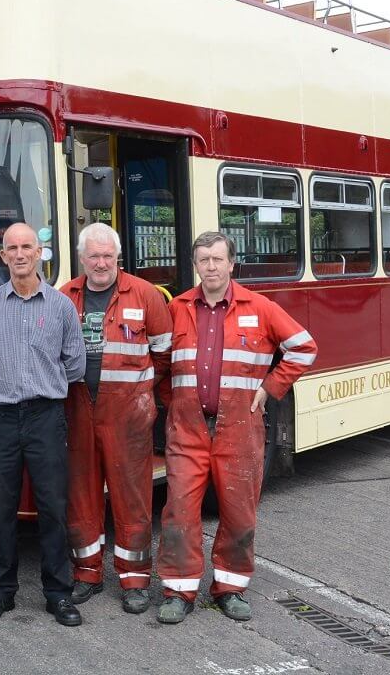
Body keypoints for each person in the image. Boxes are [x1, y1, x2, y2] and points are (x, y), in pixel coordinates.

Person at [156, 231, 317, 625]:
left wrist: (270, 388)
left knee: (239, 513)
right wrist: (174, 400)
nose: (210, 266)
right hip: (187, 430)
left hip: (240, 429)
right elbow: (158, 364)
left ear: (232, 264)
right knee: (179, 511)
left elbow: (303, 347)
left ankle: (230, 588)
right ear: (196, 265)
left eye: (217, 259)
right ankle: (179, 590)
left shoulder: (259, 307)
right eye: (203, 260)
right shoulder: (177, 309)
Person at [0, 223, 87, 626]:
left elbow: (75, 364)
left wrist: (38, 382)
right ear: (3, 256)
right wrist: (1, 382)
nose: (19, 254)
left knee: (53, 506)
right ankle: (1, 591)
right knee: (1, 507)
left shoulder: (61, 307)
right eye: (11, 248)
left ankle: (58, 594)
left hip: (45, 417)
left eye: (27, 247)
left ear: (40, 253)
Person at [59, 223, 172, 614]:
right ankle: (86, 572)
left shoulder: (144, 294)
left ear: (118, 257)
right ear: (82, 258)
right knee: (81, 495)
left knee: (132, 497)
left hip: (128, 415)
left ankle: (135, 579)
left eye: (108, 255)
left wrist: (139, 393)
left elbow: (163, 353)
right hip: (77, 409)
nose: (101, 263)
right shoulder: (65, 297)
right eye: (94, 256)